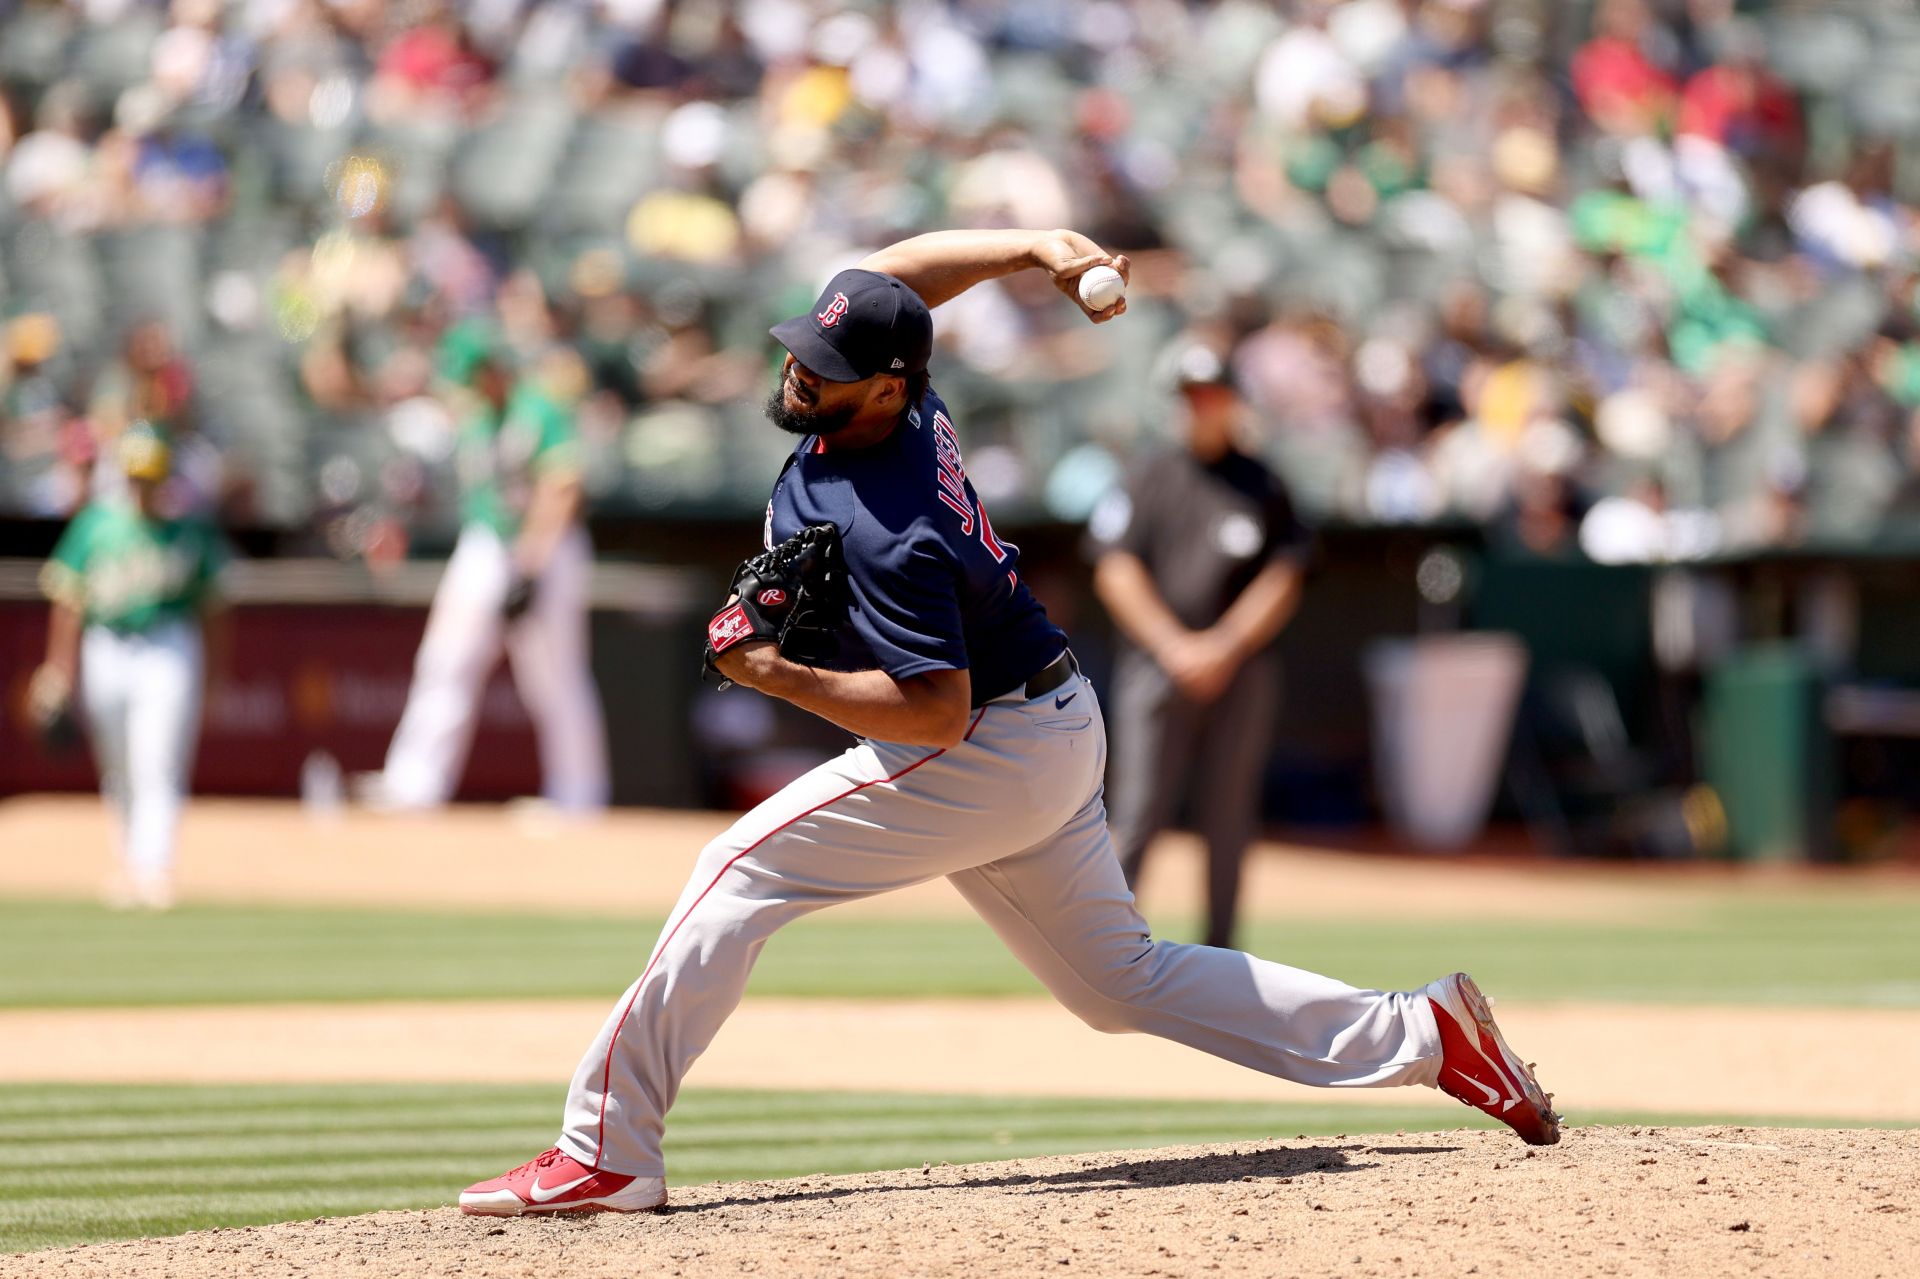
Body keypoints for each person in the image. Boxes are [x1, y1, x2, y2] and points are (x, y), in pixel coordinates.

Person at [458, 230, 1561, 1218]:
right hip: (1050, 725)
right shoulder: (901, 383)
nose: (801, 371)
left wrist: (773, 671)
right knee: (1118, 982)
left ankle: (605, 1148)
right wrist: (1035, 243)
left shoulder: (894, 522)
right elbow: (900, 276)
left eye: (830, 371)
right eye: (804, 350)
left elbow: (932, 715)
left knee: (735, 872)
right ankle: (1426, 1034)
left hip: (977, 741)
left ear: (891, 392)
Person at [1090, 343, 1308, 949]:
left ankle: (1221, 949)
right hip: (1157, 665)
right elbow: (1114, 569)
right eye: (1189, 397)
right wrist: (1174, 646)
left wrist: (1224, 646)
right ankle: (1106, 947)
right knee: (1138, 812)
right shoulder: (1148, 475)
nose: (1200, 408)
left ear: (1232, 402)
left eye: (1211, 395)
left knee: (1228, 817)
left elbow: (1285, 574)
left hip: (1239, 669)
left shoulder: (1262, 482)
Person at [359, 324, 609, 813]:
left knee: (553, 676)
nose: (468, 387)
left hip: (546, 548)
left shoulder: (538, 408)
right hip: (487, 542)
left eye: (474, 376)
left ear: (494, 370)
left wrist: (531, 567)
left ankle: (578, 797)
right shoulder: (476, 414)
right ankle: (413, 784)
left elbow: (563, 486)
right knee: (445, 659)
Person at [31, 423, 229, 911]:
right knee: (118, 764)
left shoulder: (190, 529)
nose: (143, 486)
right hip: (107, 643)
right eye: (136, 475)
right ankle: (128, 863)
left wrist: (216, 676)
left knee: (157, 758)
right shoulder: (97, 524)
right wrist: (59, 669)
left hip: (167, 640)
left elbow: (215, 608)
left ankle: (155, 866)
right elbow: (68, 602)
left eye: (151, 475)